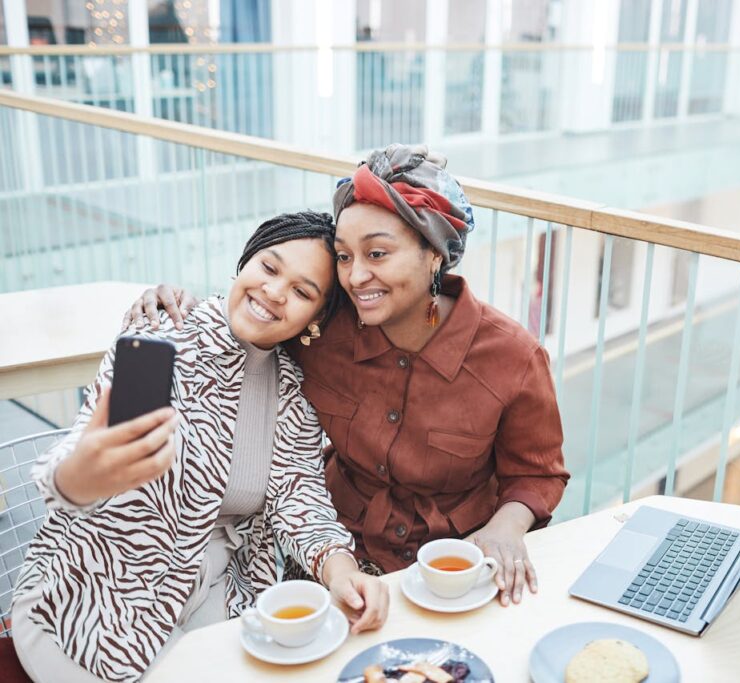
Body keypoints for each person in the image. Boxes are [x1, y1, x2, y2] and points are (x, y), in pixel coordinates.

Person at [127, 144, 570, 607]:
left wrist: (506, 526)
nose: (356, 276)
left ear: (434, 255)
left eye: (377, 253)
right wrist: (175, 309)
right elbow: (260, 309)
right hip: (331, 554)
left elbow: (538, 473)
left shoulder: (513, 356)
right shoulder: (321, 329)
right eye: (343, 256)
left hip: (449, 567)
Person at [14, 212, 389, 683]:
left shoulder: (293, 389)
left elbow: (301, 499)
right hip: (86, 607)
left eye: (301, 292)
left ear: (314, 320)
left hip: (208, 605)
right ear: (245, 262)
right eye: (269, 269)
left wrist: (341, 571)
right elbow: (84, 464)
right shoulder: (159, 335)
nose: (274, 293)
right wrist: (80, 476)